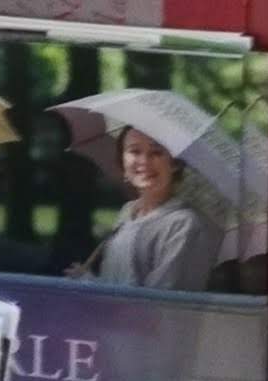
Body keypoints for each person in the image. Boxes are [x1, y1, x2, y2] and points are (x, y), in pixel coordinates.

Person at [73, 125, 216, 291]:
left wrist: (94, 287)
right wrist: (87, 280)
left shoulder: (183, 224)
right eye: (134, 151)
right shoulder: (127, 211)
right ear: (123, 161)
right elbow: (113, 283)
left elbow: (161, 297)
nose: (144, 161)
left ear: (175, 163)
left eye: (156, 153)